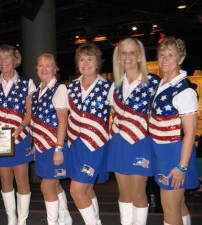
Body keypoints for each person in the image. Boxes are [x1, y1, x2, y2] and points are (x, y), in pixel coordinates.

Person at [107, 37, 160, 225]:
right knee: (124, 192)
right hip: (119, 142)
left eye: (131, 52)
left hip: (141, 142)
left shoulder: (154, 83)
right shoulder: (115, 86)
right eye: (123, 52)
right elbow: (112, 113)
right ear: (118, 57)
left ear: (139, 56)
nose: (127, 56)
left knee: (139, 193)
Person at [149, 36, 200, 225]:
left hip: (175, 155)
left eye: (171, 55)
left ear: (181, 58)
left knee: (170, 210)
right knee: (179, 206)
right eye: (162, 54)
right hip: (160, 151)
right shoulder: (162, 84)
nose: (165, 59)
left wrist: (182, 167)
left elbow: (190, 132)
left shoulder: (184, 91)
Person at [0, 44, 35, 225]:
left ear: (15, 59)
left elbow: (30, 114)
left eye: (7, 58)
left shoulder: (26, 82)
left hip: (20, 137)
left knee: (22, 181)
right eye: (0, 59)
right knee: (5, 181)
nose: (3, 62)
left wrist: (20, 127)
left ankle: (22, 220)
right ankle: (11, 218)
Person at [67, 42, 112, 225]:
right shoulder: (70, 87)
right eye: (82, 59)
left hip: (95, 145)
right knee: (87, 190)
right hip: (75, 144)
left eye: (90, 59)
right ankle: (97, 220)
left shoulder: (109, 87)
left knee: (76, 191)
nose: (85, 63)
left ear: (98, 62)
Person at [30, 53, 72, 225]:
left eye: (48, 65)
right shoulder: (37, 91)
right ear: (36, 69)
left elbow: (63, 119)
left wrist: (59, 148)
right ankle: (65, 217)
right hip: (41, 148)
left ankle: (53, 222)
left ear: (55, 69)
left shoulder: (59, 89)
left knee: (46, 186)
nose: (44, 69)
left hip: (54, 146)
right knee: (54, 185)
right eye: (40, 65)